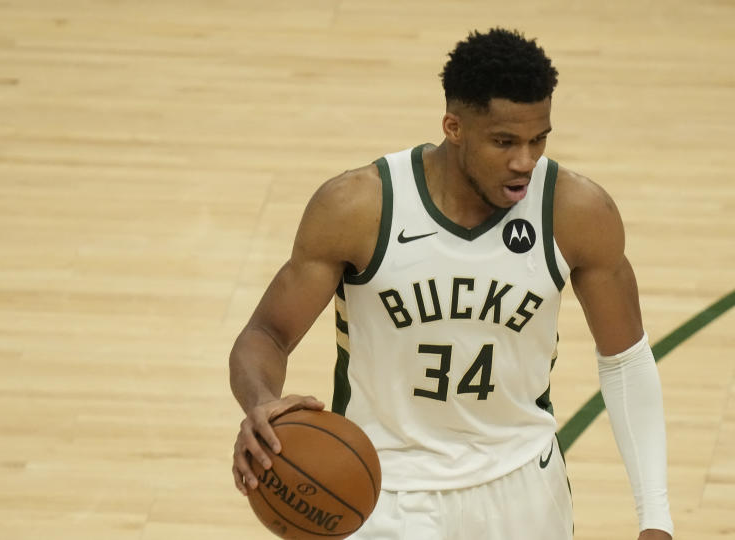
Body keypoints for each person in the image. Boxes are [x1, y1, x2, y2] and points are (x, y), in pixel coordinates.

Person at [230, 28, 673, 539]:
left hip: (522, 486)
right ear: (454, 127)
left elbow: (625, 360)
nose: (525, 161)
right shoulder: (359, 207)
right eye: (504, 142)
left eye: (538, 139)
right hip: (382, 488)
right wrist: (261, 401)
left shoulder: (575, 211)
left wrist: (655, 517)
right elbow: (266, 334)